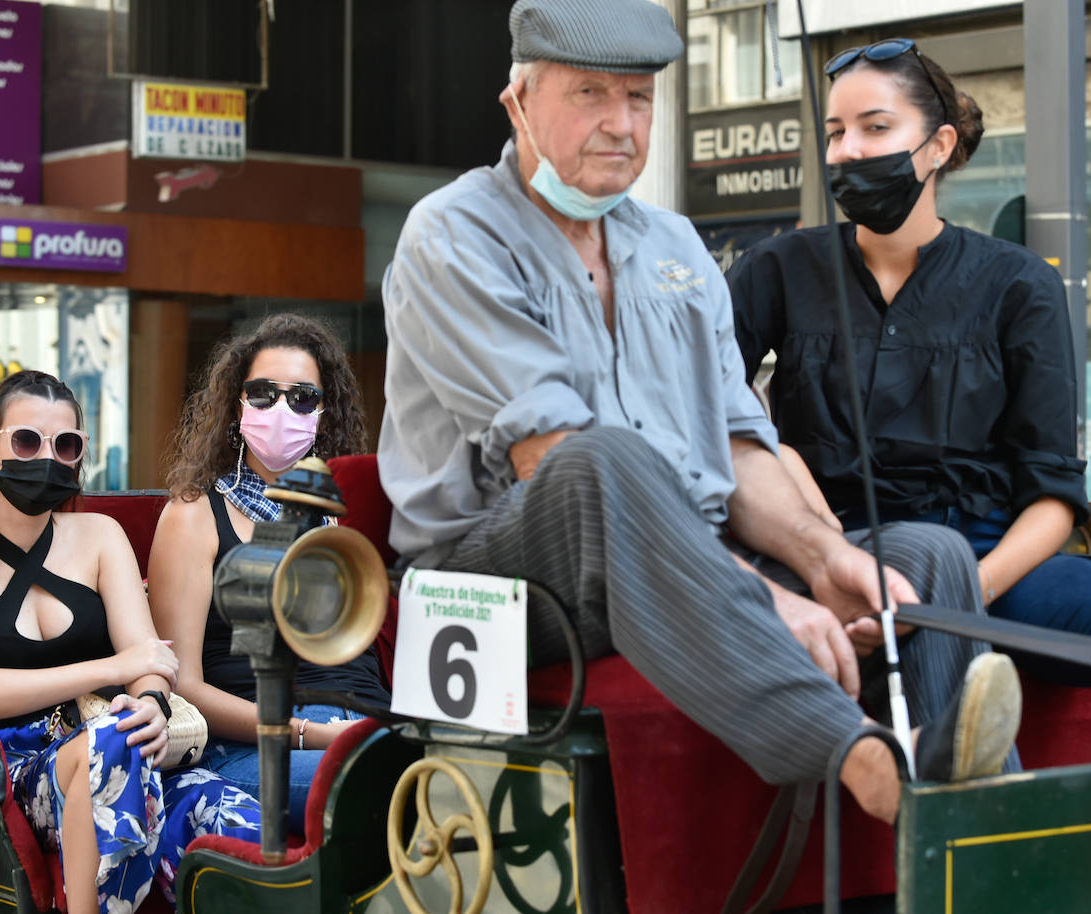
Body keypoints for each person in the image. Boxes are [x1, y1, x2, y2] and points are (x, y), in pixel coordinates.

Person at [378, 0, 1024, 827]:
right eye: (589, 96)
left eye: (639, 98)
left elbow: (738, 443)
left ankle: (985, 844)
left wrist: (824, 561)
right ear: (519, 101)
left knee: (923, 556)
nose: (620, 124)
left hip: (673, 565)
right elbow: (555, 457)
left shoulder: (678, 245)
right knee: (604, 462)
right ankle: (871, 765)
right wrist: (760, 596)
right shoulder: (452, 233)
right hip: (494, 586)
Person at [726, 39, 1091, 759]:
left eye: (875, 127)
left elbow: (1053, 494)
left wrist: (957, 596)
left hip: (988, 559)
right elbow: (698, 408)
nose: (849, 152)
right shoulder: (774, 269)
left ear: (937, 144)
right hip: (829, 550)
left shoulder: (1019, 285)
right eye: (835, 133)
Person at [0, 370, 261, 914]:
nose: (46, 456)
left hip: (124, 742)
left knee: (239, 821)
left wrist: (151, 704)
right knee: (110, 742)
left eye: (65, 445)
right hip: (14, 767)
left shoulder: (100, 537)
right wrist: (107, 670)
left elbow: (149, 660)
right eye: (26, 441)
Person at [149, 313, 390, 833]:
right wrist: (307, 733)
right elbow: (182, 684)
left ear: (323, 415)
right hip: (255, 743)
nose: (282, 409)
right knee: (386, 788)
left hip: (369, 724)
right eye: (263, 394)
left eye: (303, 397)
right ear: (237, 408)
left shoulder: (349, 511)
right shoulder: (194, 515)